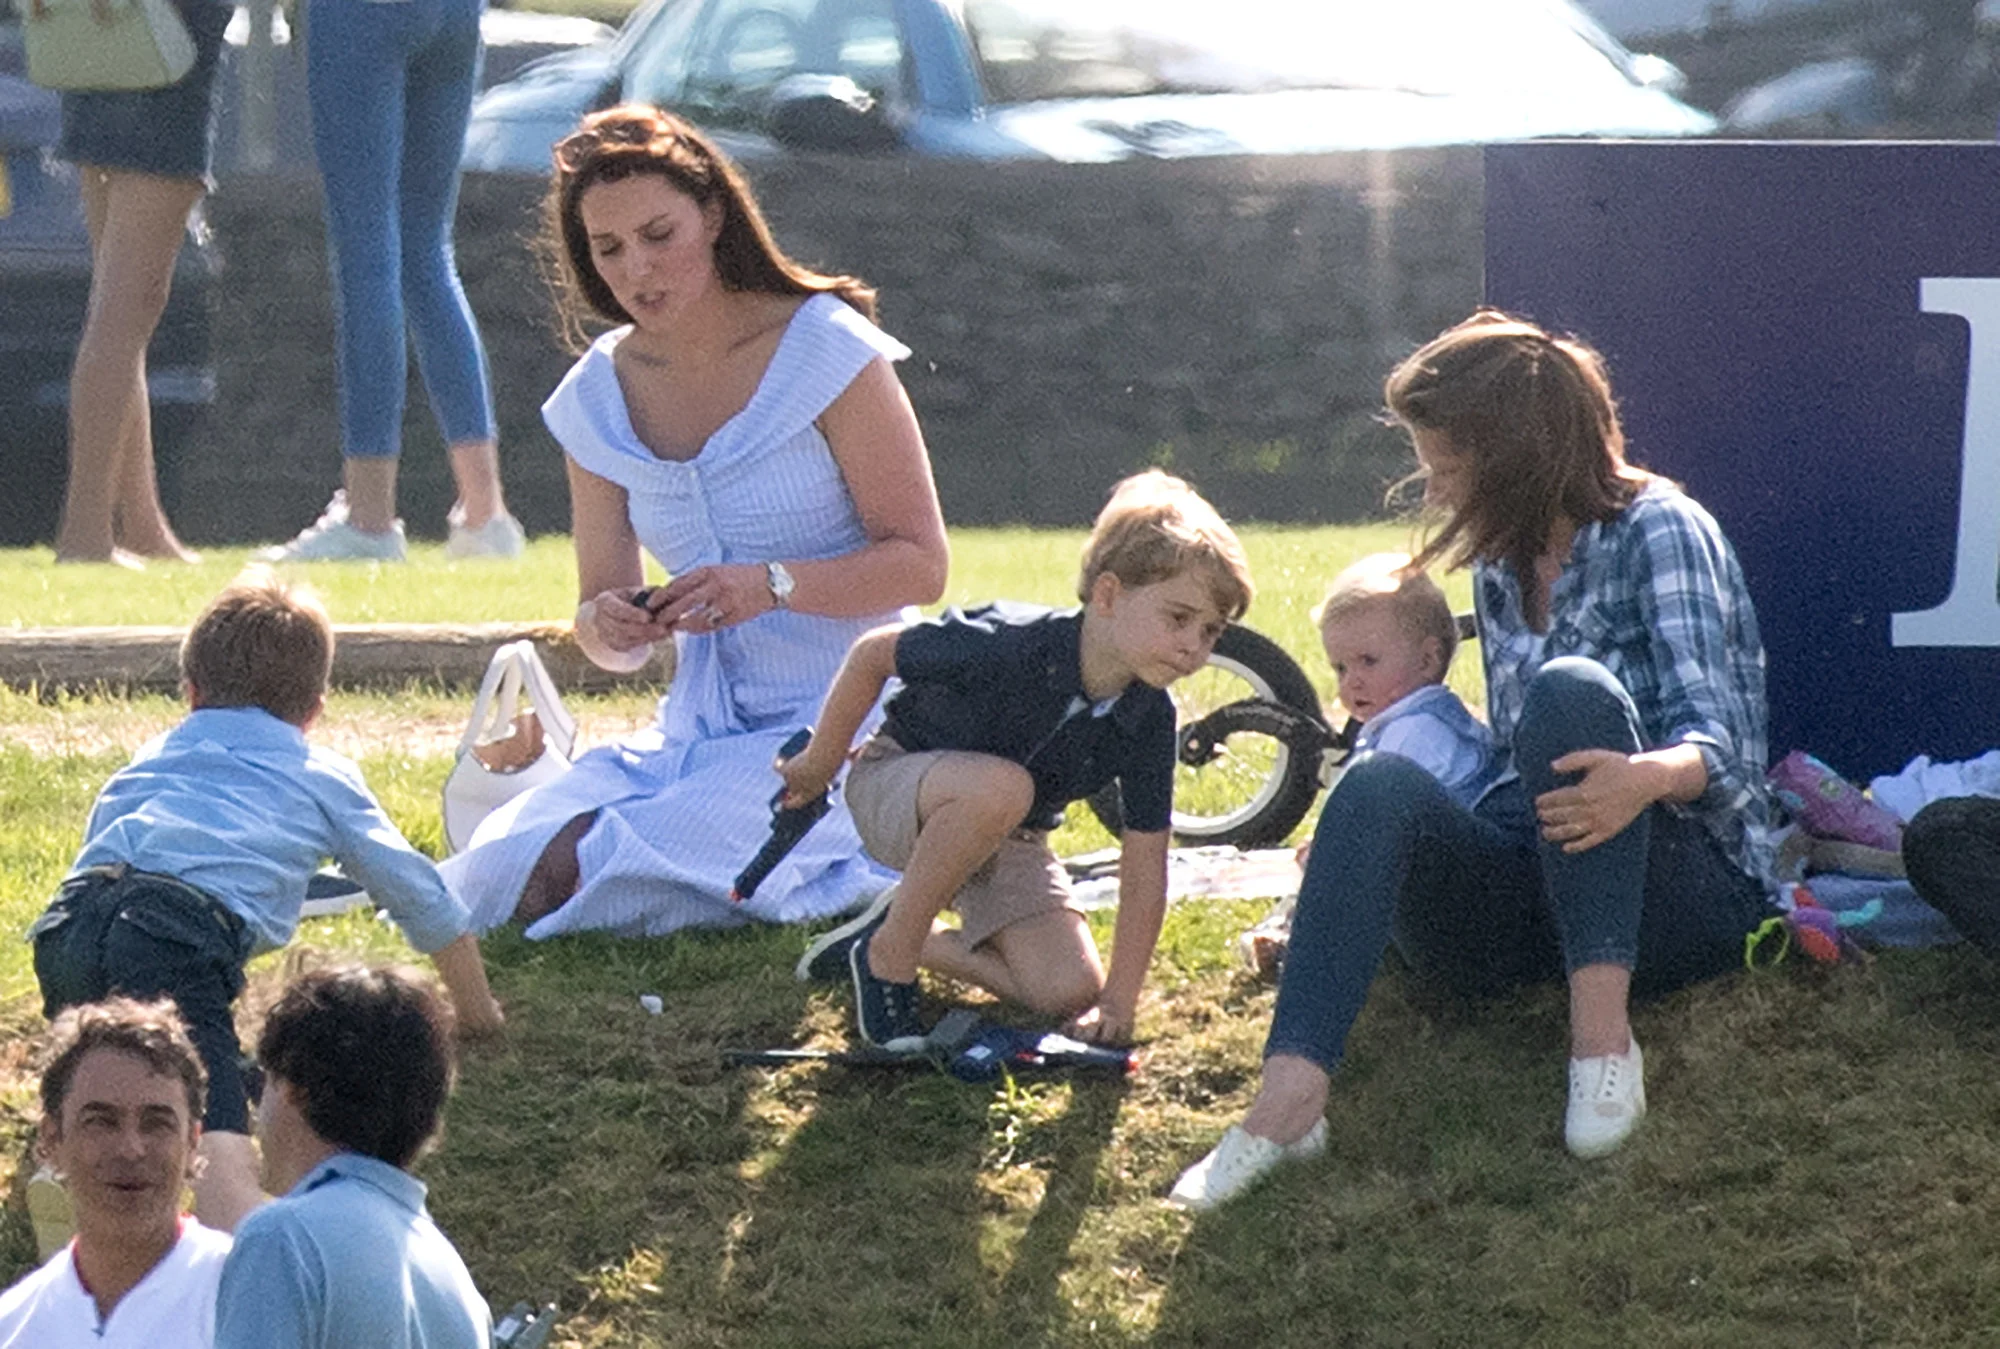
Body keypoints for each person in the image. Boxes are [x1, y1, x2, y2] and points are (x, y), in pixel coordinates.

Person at [1168, 311, 1779, 1211]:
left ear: (1512, 454)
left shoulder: (1660, 528)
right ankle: (1290, 1101)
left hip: (1685, 886)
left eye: (1445, 463)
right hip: (1545, 882)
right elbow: (1507, 762)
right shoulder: (1500, 563)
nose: (1431, 484)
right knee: (1376, 784)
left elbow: (1724, 751)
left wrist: (1643, 777)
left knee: (1571, 690)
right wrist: (1370, 850)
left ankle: (1601, 1047)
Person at [437, 105, 949, 939]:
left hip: (850, 718)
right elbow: (605, 631)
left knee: (598, 862)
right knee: (506, 866)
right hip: (692, 733)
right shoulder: (594, 399)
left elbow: (921, 565)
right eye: (609, 250)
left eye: (657, 233)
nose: (637, 268)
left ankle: (847, 843)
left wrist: (771, 587)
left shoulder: (828, 351)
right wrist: (611, 621)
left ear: (712, 216)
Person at [29, 568, 504, 1232]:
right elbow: (420, 894)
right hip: (179, 926)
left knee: (96, 1055)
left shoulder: (149, 756)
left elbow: (99, 851)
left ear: (191, 693)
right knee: (206, 1082)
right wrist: (478, 1011)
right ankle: (230, 1221)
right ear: (315, 708)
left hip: (72, 920)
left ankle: (59, 1172)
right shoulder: (319, 773)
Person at [781, 470, 1254, 1049]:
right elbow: (872, 654)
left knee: (1065, 990)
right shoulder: (1010, 641)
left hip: (1013, 835)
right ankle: (890, 960)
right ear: (1108, 596)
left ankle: (897, 929)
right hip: (898, 786)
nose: (1194, 647)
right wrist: (817, 765)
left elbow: (1145, 863)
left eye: (1211, 632)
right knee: (1002, 788)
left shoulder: (1149, 715)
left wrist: (1118, 1002)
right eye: (1178, 618)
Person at [262, 0, 521, 562]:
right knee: (428, 250)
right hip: (455, 14)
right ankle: (486, 513)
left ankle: (370, 518)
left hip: (362, 14)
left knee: (366, 251)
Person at [1240, 552, 1498, 976]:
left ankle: (1314, 951)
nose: (1351, 681)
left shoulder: (1416, 735)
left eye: (1368, 662)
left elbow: (1379, 828)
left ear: (1428, 660)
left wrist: (1334, 854)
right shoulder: (1410, 722)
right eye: (1340, 668)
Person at [43, 0, 232, 566]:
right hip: (162, 46)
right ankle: (84, 534)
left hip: (100, 39)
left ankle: (142, 524)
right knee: (128, 307)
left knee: (118, 305)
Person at [213, 963, 489, 1348]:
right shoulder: (452, 1277)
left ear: (294, 1089)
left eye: (264, 1081)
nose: (257, 1109)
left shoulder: (283, 1239)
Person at [0, 998, 231, 1348]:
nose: (130, 1149)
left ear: (192, 1142)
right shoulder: (15, 1326)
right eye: (101, 1122)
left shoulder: (246, 1298)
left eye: (157, 1123)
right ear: (51, 1139)